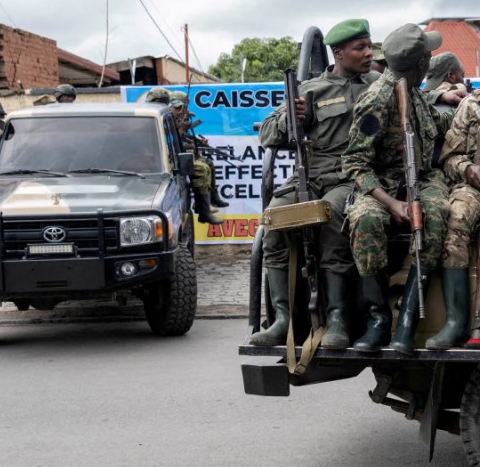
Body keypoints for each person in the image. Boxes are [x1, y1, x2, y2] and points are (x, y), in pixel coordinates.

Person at [249, 19, 379, 348]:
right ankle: (282, 320)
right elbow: (267, 134)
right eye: (359, 48)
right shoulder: (309, 90)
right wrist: (290, 117)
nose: (368, 53)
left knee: (333, 215)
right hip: (311, 172)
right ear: (337, 53)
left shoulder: (378, 84)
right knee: (275, 217)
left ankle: (337, 319)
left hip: (349, 174)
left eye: (369, 45)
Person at [342, 23, 452, 355]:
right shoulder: (377, 100)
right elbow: (355, 163)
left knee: (436, 213)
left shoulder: (415, 92)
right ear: (420, 65)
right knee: (365, 219)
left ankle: (406, 323)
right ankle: (377, 322)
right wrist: (392, 204)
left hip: (423, 177)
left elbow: (434, 123)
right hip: (383, 184)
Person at [426, 85, 480, 349]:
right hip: (474, 185)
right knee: (456, 217)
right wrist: (467, 168)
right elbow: (449, 159)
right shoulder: (472, 104)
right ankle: (456, 322)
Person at [144, 87, 221, 225]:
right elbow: (167, 144)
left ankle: (208, 203)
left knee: (206, 164)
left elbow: (180, 141)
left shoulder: (165, 117)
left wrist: (195, 142)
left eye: (163, 102)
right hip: (161, 164)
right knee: (200, 168)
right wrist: (181, 130)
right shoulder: (152, 120)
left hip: (170, 161)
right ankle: (204, 211)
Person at [169, 91, 229, 212]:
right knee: (203, 168)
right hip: (173, 159)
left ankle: (213, 197)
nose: (180, 110)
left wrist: (198, 142)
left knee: (209, 163)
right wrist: (181, 129)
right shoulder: (167, 120)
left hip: (182, 155)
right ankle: (201, 203)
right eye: (177, 107)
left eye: (182, 107)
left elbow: (184, 137)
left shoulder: (180, 118)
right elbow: (171, 143)